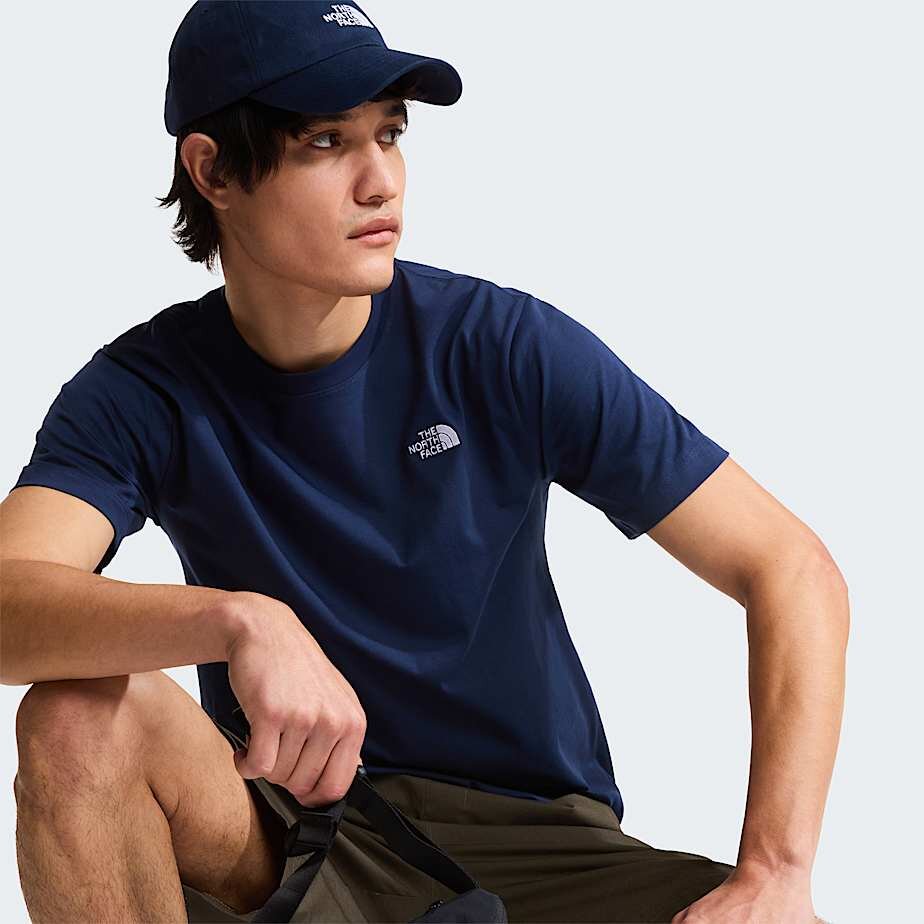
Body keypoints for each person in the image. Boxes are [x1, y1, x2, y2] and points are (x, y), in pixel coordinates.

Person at [3, 3, 843, 922]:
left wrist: (776, 871)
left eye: (391, 135)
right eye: (327, 141)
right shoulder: (143, 391)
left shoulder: (500, 346)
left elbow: (789, 567)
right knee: (76, 716)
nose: (380, 183)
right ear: (213, 171)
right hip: (298, 840)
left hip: (539, 848)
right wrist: (239, 621)